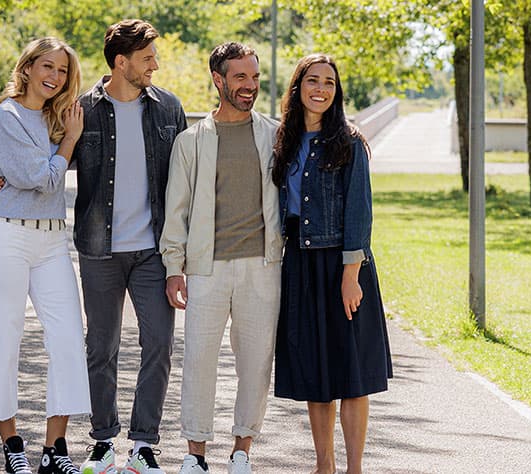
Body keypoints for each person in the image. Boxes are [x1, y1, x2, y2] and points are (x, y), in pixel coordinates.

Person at [0, 19, 188, 474]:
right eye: (148, 57)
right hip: (99, 248)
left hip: (153, 250)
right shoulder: (82, 111)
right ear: (122, 62)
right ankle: (101, 441)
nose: (155, 64)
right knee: (99, 348)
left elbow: (184, 178)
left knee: (159, 344)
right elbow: (40, 162)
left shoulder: (169, 108)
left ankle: (143, 443)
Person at [160, 42, 282, 474]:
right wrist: (175, 268)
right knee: (199, 360)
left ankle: (242, 450)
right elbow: (176, 209)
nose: (250, 86)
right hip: (206, 269)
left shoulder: (274, 134)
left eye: (254, 77)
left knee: (256, 362)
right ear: (219, 80)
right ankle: (195, 455)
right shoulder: (191, 141)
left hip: (263, 268)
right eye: (240, 77)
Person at [268, 53, 391, 474]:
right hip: (300, 266)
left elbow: (359, 212)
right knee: (316, 377)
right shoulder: (283, 139)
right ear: (298, 87)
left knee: (351, 375)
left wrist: (350, 276)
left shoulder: (350, 142)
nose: (321, 89)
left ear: (336, 92)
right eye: (313, 81)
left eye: (329, 83)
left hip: (344, 268)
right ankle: (325, 466)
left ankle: (354, 468)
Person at [0, 36, 89, 474]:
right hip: (7, 237)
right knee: (4, 340)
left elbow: (56, 171)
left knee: (67, 339)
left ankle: (54, 449)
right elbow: (38, 178)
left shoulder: (60, 117)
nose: (54, 77)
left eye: (62, 71)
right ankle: (12, 446)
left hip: (52, 240)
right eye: (47, 66)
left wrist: (67, 144)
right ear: (28, 67)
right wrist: (67, 146)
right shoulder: (8, 115)